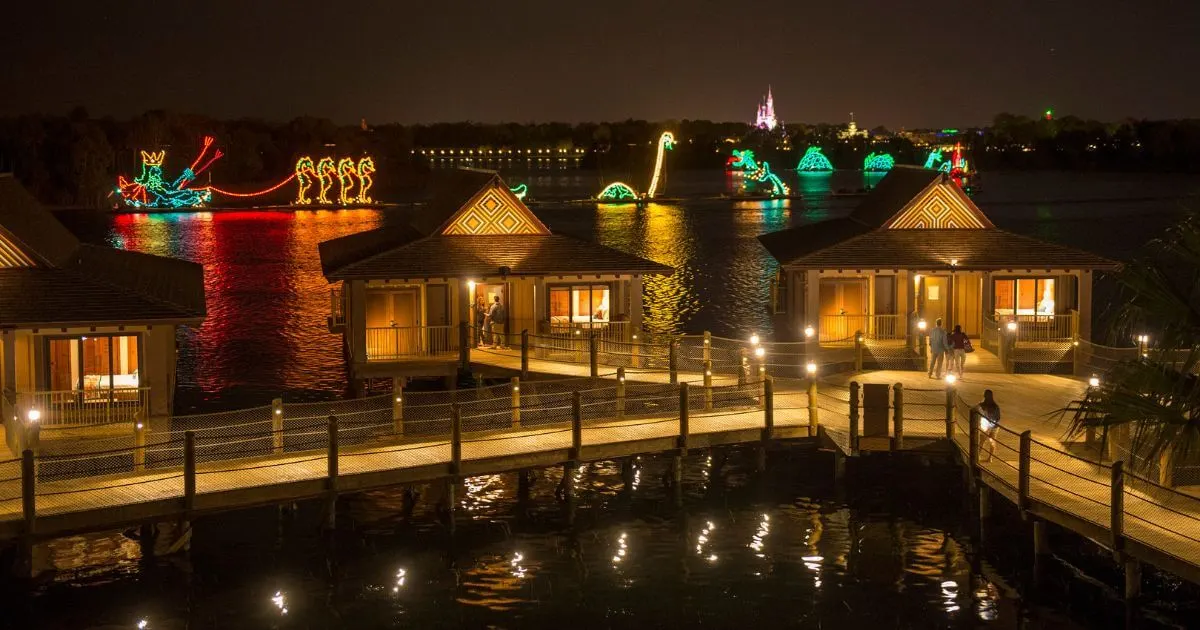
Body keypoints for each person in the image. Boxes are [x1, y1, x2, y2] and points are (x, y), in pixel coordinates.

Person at [976, 389, 1001, 462]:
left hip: (986, 426)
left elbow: (975, 409)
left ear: (984, 395)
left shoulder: (982, 404)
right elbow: (998, 417)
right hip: (995, 426)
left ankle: (977, 456)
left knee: (981, 441)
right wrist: (993, 423)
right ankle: (990, 458)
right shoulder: (996, 406)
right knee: (992, 441)